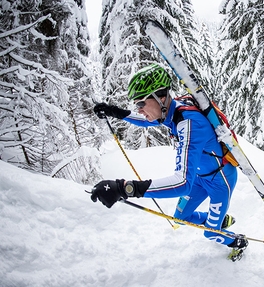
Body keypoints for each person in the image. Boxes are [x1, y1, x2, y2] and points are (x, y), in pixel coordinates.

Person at [90, 63, 247, 254]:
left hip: (220, 181)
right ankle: (220, 219)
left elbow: (182, 183)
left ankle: (239, 243)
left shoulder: (189, 123)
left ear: (161, 97)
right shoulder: (172, 111)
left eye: (141, 103)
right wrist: (114, 112)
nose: (139, 109)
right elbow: (146, 120)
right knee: (180, 217)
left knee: (210, 234)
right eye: (136, 104)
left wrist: (125, 188)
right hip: (200, 178)